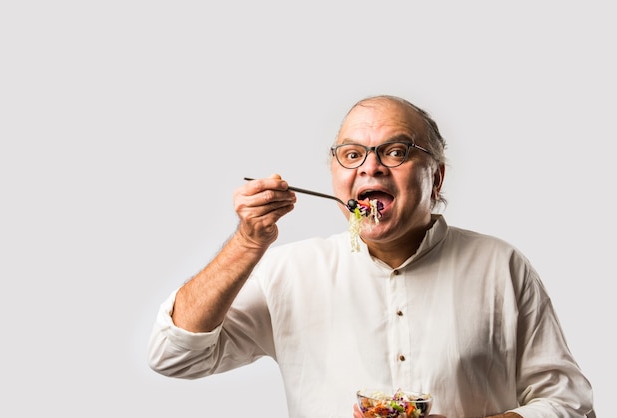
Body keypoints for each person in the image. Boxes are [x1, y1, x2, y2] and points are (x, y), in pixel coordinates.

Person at [148, 95, 594, 418]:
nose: (371, 166)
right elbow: (175, 356)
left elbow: (571, 404)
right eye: (352, 154)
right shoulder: (289, 271)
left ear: (435, 179)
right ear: (336, 175)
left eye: (396, 151)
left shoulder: (500, 266)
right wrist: (246, 245)